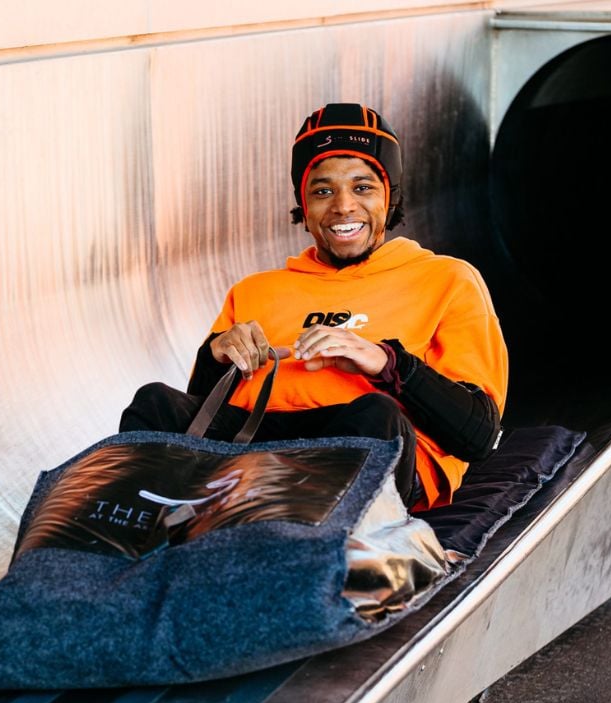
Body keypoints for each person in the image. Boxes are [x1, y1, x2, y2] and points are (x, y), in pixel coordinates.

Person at [120, 103, 508, 512]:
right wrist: (216, 356)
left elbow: (478, 436)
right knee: (154, 403)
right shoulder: (255, 290)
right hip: (252, 447)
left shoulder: (447, 279)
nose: (342, 206)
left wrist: (387, 362)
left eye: (363, 187)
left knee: (377, 415)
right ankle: (125, 537)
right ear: (303, 207)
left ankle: (292, 527)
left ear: (389, 198)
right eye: (322, 191)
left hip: (360, 443)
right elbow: (201, 412)